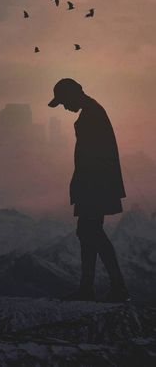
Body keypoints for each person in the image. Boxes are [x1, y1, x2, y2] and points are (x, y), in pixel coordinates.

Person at [48, 78, 130, 302]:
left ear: (73, 95)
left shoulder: (91, 115)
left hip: (94, 185)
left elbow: (91, 158)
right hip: (95, 185)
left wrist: (82, 186)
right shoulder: (93, 112)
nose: (64, 107)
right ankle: (91, 287)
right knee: (88, 233)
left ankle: (114, 287)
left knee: (90, 233)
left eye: (64, 102)